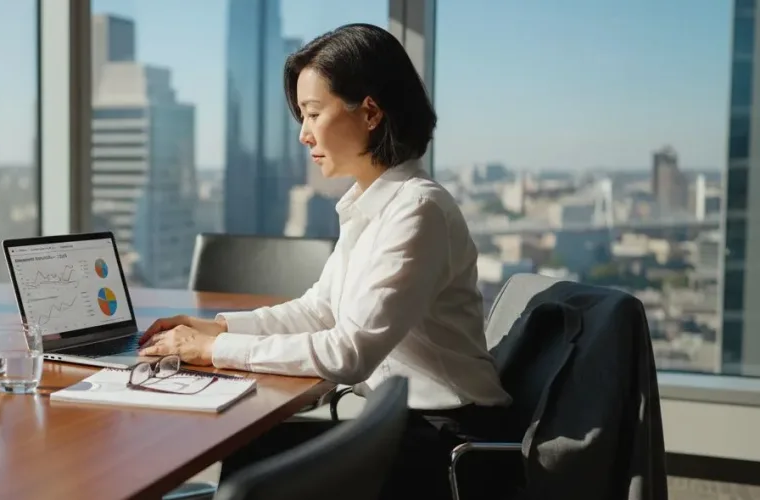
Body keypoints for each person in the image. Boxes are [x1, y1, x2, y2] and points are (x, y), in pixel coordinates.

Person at [138, 23, 515, 499]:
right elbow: (319, 310)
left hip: (448, 440)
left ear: (371, 111)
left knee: (257, 458)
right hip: (398, 420)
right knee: (256, 447)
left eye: (313, 113)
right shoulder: (373, 203)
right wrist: (217, 329)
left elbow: (348, 352)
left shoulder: (418, 211)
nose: (303, 134)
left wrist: (211, 352)